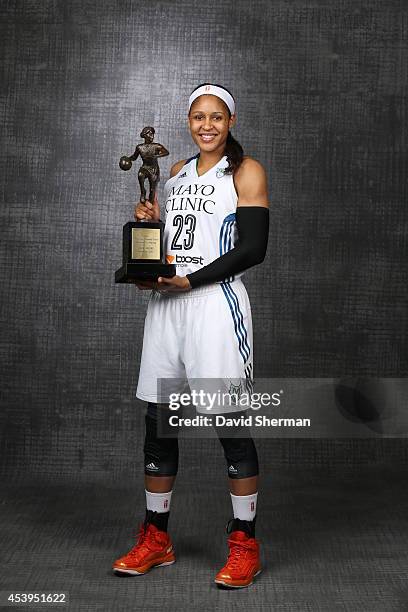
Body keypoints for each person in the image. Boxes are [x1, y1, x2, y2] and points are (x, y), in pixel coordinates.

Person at [112, 83, 270, 588]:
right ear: (188, 121)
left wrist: (189, 280)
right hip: (168, 307)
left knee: (229, 424)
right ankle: (156, 537)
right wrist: (149, 240)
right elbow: (174, 245)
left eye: (216, 117)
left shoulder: (245, 171)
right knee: (159, 423)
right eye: (198, 117)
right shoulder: (176, 173)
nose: (206, 125)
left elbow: (252, 250)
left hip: (214, 306)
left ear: (231, 121)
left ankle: (245, 543)